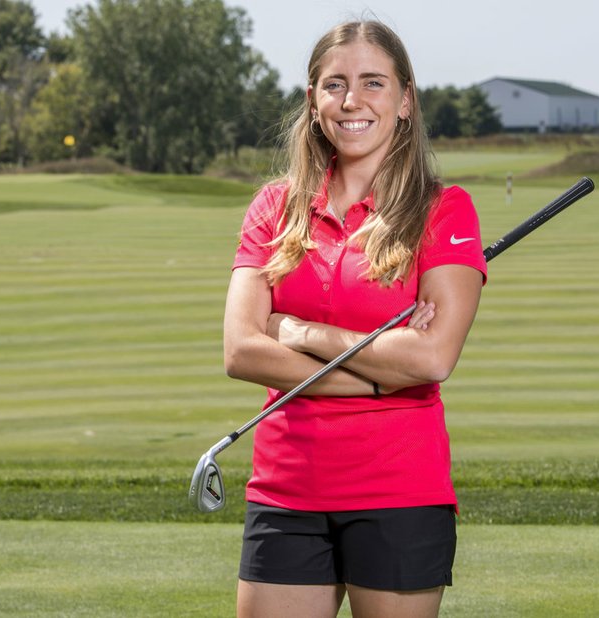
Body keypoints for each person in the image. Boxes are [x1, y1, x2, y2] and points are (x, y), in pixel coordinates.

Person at [223, 19, 487, 618]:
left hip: (399, 489)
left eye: (373, 82)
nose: (352, 101)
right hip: (286, 487)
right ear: (314, 102)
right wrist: (379, 371)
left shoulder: (444, 210)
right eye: (334, 84)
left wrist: (297, 330)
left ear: (405, 101)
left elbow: (430, 359)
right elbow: (240, 350)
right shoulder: (275, 206)